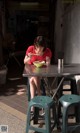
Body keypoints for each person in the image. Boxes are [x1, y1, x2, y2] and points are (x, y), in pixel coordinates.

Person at [24, 36, 52, 111]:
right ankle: (39, 94)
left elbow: (48, 64)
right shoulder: (30, 49)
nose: (38, 49)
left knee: (33, 79)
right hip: (30, 71)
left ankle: (33, 104)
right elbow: (25, 61)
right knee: (33, 77)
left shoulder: (47, 51)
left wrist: (47, 62)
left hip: (42, 72)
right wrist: (29, 57)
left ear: (44, 46)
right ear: (35, 45)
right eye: (37, 47)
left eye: (41, 47)